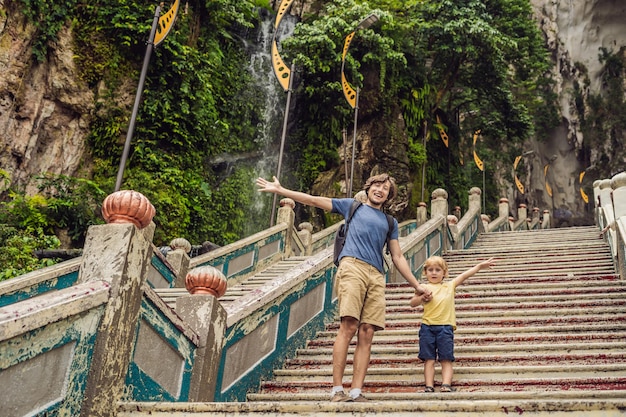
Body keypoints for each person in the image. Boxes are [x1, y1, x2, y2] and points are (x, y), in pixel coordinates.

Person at [256, 173, 431, 402]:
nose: (380, 190)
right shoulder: (353, 207)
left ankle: (356, 391)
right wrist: (281, 190)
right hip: (353, 267)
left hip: (377, 275)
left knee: (367, 332)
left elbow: (397, 256)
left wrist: (416, 285)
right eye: (377, 185)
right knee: (349, 325)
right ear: (368, 188)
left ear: (389, 195)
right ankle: (337, 389)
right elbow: (313, 200)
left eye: (386, 188)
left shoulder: (390, 222)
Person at [410, 255, 495, 393]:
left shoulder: (449, 286)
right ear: (425, 272)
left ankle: (446, 384)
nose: (434, 272)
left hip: (445, 327)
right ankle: (429, 386)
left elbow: (464, 276)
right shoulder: (423, 287)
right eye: (430, 270)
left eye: (438, 270)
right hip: (427, 327)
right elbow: (412, 303)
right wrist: (421, 297)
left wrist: (479, 266)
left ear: (444, 273)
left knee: (446, 358)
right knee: (429, 359)